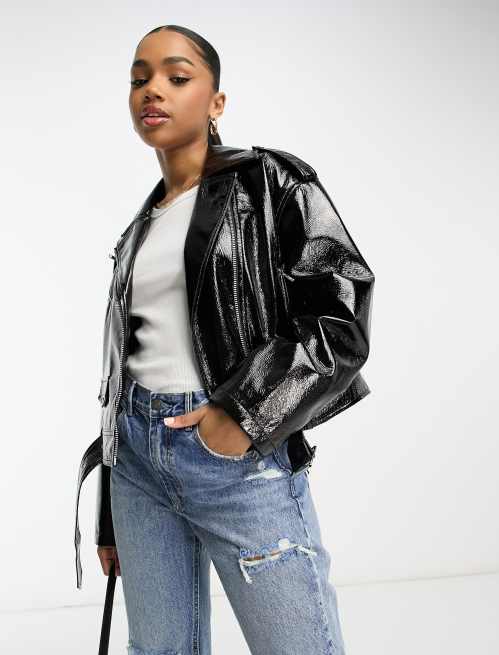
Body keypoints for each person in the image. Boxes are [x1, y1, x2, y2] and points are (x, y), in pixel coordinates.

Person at [74, 23, 375, 655]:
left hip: (236, 460)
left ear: (216, 102)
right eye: (139, 79)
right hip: (136, 467)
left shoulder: (269, 181)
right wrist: (110, 514)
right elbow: (125, 370)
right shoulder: (138, 231)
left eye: (177, 76)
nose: (152, 89)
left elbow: (339, 313)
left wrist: (245, 413)